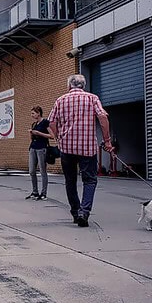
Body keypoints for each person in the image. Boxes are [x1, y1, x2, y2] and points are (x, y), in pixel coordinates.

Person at [48, 74, 114, 227]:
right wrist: (107, 141)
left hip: (67, 147)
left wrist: (59, 137)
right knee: (89, 180)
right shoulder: (92, 98)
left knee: (70, 181)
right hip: (88, 147)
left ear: (69, 86)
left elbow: (51, 122)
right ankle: (84, 212)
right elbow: (103, 118)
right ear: (83, 86)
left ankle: (75, 211)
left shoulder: (61, 100)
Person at [26, 106, 54, 201]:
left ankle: (43, 193)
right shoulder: (34, 124)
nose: (32, 115)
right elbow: (32, 138)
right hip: (33, 147)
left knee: (42, 171)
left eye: (33, 113)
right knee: (31, 171)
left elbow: (52, 136)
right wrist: (32, 133)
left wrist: (39, 133)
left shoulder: (45, 122)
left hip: (42, 148)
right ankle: (35, 191)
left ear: (38, 113)